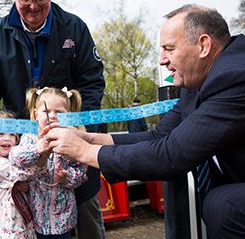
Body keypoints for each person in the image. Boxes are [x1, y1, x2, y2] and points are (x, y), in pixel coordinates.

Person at [46, 4, 245, 239]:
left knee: (224, 207)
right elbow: (158, 137)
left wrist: (83, 151)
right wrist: (90, 138)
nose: (162, 60)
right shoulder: (199, 81)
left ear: (203, 45)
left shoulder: (234, 77)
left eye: (169, 49)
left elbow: (171, 154)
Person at [0, 1, 106, 238]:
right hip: (26, 157)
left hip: (74, 150)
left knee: (87, 216)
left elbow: (92, 83)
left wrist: (80, 131)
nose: (32, 6)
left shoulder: (74, 28)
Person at [9, 86, 88, 238]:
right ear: (36, 114)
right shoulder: (30, 137)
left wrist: (67, 177)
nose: (52, 116)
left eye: (59, 112)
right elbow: (14, 158)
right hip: (35, 217)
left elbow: (81, 173)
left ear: (69, 115)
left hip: (64, 218)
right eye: (46, 111)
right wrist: (38, 149)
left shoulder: (73, 139)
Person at [0, 107, 42, 239]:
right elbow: (24, 173)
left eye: (12, 134)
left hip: (18, 224)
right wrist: (41, 152)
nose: (7, 138)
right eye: (0, 133)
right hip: (3, 228)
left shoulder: (6, 161)